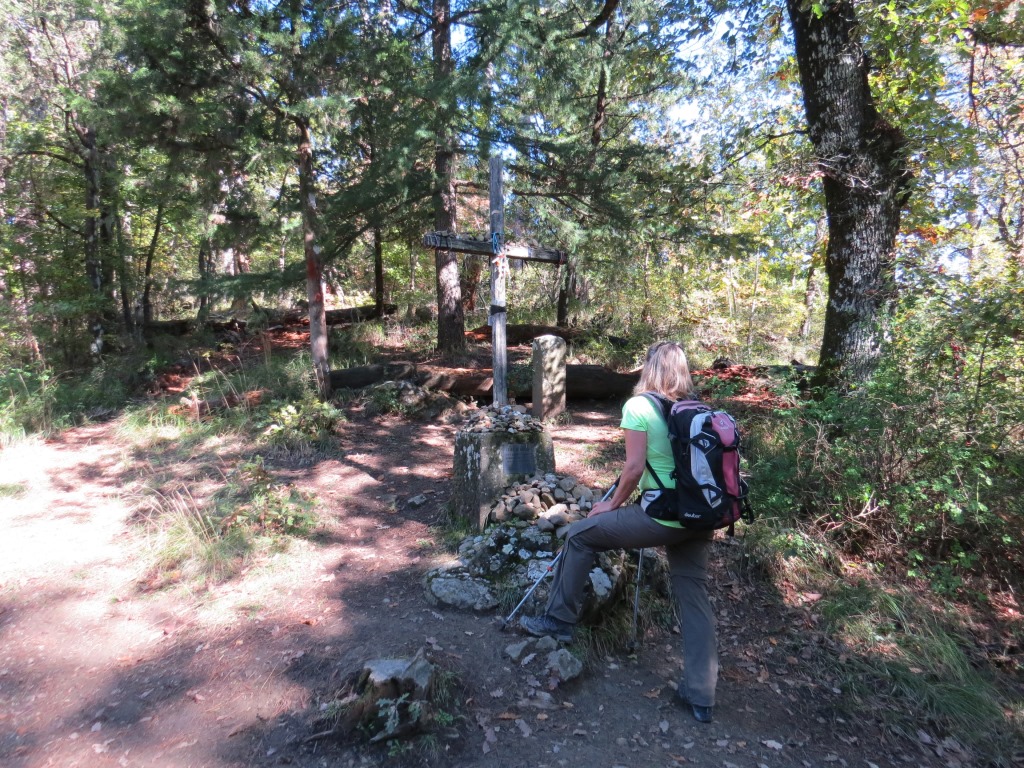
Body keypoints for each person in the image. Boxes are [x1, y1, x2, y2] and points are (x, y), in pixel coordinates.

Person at [519, 341, 718, 723]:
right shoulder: (697, 408)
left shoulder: (639, 406)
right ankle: (702, 694)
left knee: (580, 535)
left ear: (649, 367)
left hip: (662, 517)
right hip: (701, 517)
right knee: (693, 594)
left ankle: (558, 621)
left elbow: (633, 468)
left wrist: (612, 504)